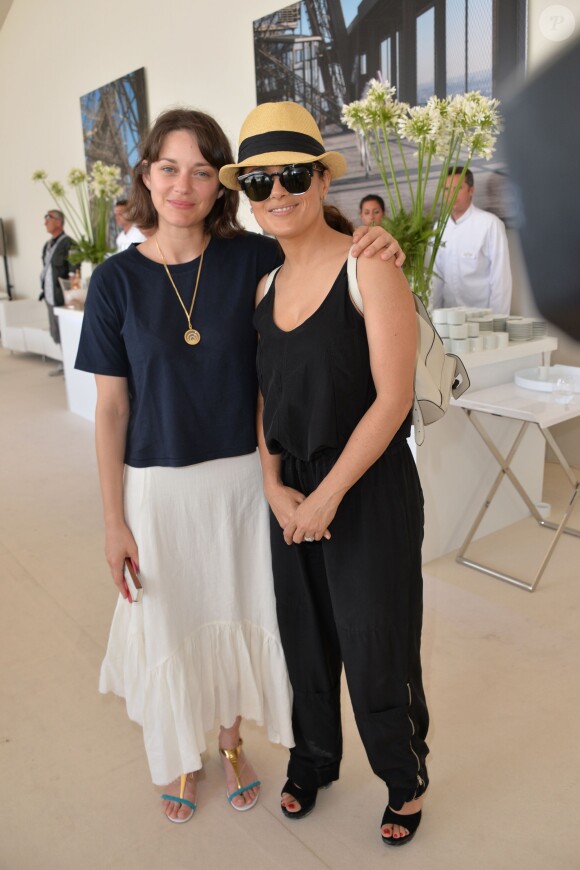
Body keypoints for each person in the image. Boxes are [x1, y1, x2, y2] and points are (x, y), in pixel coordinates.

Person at [74, 107, 405, 825]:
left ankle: (231, 744)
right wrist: (112, 521)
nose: (183, 185)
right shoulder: (114, 282)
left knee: (240, 613)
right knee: (174, 620)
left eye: (201, 170)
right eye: (169, 168)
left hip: (244, 484)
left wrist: (373, 237)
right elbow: (110, 411)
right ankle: (182, 757)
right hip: (158, 488)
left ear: (219, 186)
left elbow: (319, 259)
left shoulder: (252, 260)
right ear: (146, 176)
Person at [220, 102, 429, 847]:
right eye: (258, 181)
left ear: (319, 177)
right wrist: (276, 487)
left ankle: (404, 780)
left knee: (377, 642)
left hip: (366, 486)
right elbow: (266, 397)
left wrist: (328, 495)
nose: (277, 192)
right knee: (304, 640)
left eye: (292, 174)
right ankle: (313, 759)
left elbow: (395, 397)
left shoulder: (368, 264)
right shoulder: (262, 289)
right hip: (295, 491)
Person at [430, 167, 512, 314]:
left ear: (471, 190)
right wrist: (431, 319)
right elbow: (435, 279)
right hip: (448, 322)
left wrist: (498, 325)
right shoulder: (439, 227)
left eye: (458, 188)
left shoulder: (490, 224)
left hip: (482, 322)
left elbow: (501, 281)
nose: (451, 194)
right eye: (447, 189)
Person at [39, 209, 73, 372]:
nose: (45, 222)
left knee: (66, 332)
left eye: (49, 218)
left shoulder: (69, 244)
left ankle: (70, 364)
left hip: (62, 297)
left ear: (59, 222)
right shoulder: (47, 245)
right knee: (56, 331)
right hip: (50, 295)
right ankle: (64, 362)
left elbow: (74, 273)